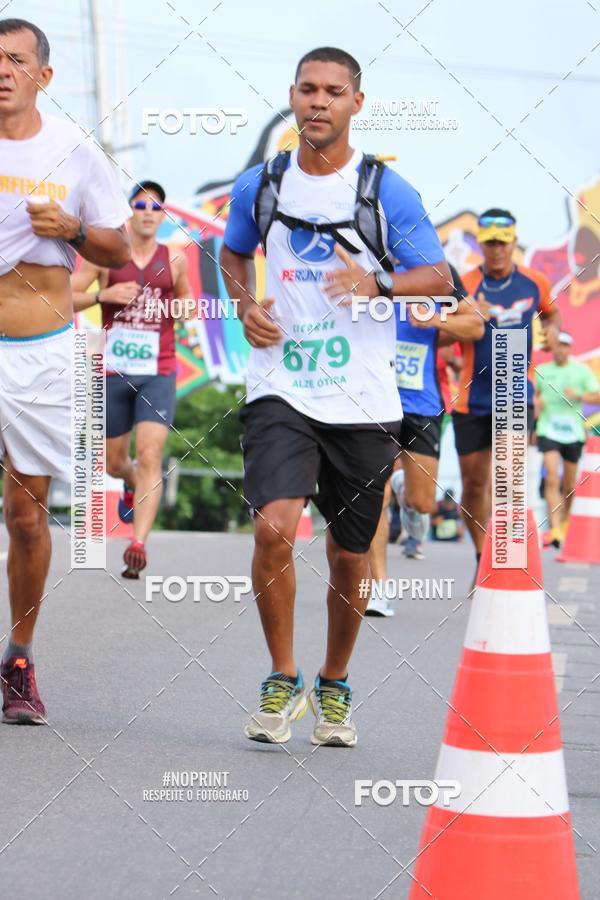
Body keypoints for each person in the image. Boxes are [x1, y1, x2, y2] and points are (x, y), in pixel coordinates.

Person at [219, 46, 452, 746]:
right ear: (292, 96)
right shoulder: (261, 184)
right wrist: (242, 302)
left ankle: (335, 681)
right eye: (308, 90)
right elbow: (234, 252)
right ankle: (282, 676)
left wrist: (377, 285)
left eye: (333, 92)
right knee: (272, 527)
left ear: (356, 103)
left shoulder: (386, 192)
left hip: (363, 397)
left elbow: (439, 275)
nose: (318, 102)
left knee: (352, 557)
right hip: (282, 385)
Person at [0, 18, 131, 723]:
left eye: (17, 60)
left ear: (43, 76)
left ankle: (18, 656)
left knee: (26, 515)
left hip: (40, 351)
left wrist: (73, 231)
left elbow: (116, 249)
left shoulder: (75, 151)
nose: (4, 70)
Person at [72, 181, 191, 578]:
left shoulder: (174, 261)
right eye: (140, 204)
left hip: (159, 370)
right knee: (116, 461)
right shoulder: (106, 258)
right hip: (113, 371)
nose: (147, 211)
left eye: (156, 205)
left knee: (152, 456)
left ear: (162, 215)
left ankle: (138, 544)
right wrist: (102, 297)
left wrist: (185, 311)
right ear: (129, 211)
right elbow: (65, 294)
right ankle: (129, 482)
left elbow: (187, 304)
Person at [366, 264, 483, 615]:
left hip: (422, 402)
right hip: (373, 397)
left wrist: (436, 322)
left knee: (423, 503)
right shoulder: (369, 259)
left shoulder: (438, 271)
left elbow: (476, 324)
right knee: (374, 494)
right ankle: (378, 588)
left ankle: (404, 487)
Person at [453, 209, 560, 573]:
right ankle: (483, 557)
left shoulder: (535, 282)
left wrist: (553, 331)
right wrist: (467, 320)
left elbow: (551, 313)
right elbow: (443, 331)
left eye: (502, 243)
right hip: (471, 396)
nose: (496, 250)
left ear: (514, 242)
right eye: (489, 244)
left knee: (510, 479)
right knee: (473, 484)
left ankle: (507, 563)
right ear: (481, 245)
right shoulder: (464, 283)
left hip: (515, 390)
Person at [535, 332, 600, 547]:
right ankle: (555, 528)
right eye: (558, 346)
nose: (561, 349)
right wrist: (537, 405)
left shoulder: (581, 371)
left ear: (570, 349)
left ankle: (562, 522)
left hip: (573, 432)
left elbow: (597, 395)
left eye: (565, 346)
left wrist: (579, 396)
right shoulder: (542, 372)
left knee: (570, 485)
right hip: (548, 429)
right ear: (552, 348)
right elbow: (531, 398)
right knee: (552, 477)